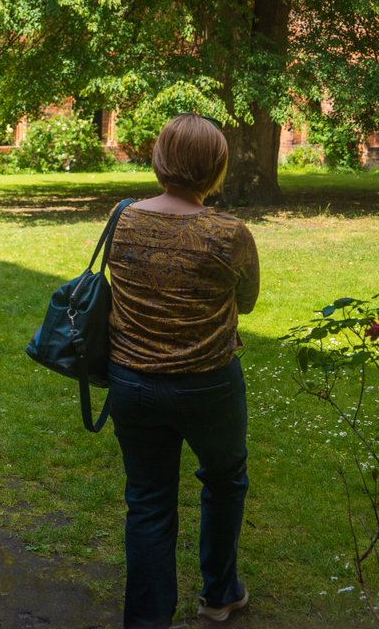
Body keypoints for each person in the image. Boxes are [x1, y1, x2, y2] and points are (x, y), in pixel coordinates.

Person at [105, 114, 260, 627]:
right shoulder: (229, 232)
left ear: (160, 159)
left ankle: (147, 621)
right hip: (209, 384)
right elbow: (249, 302)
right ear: (216, 166)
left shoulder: (121, 218)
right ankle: (219, 594)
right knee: (224, 479)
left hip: (131, 381)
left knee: (147, 503)